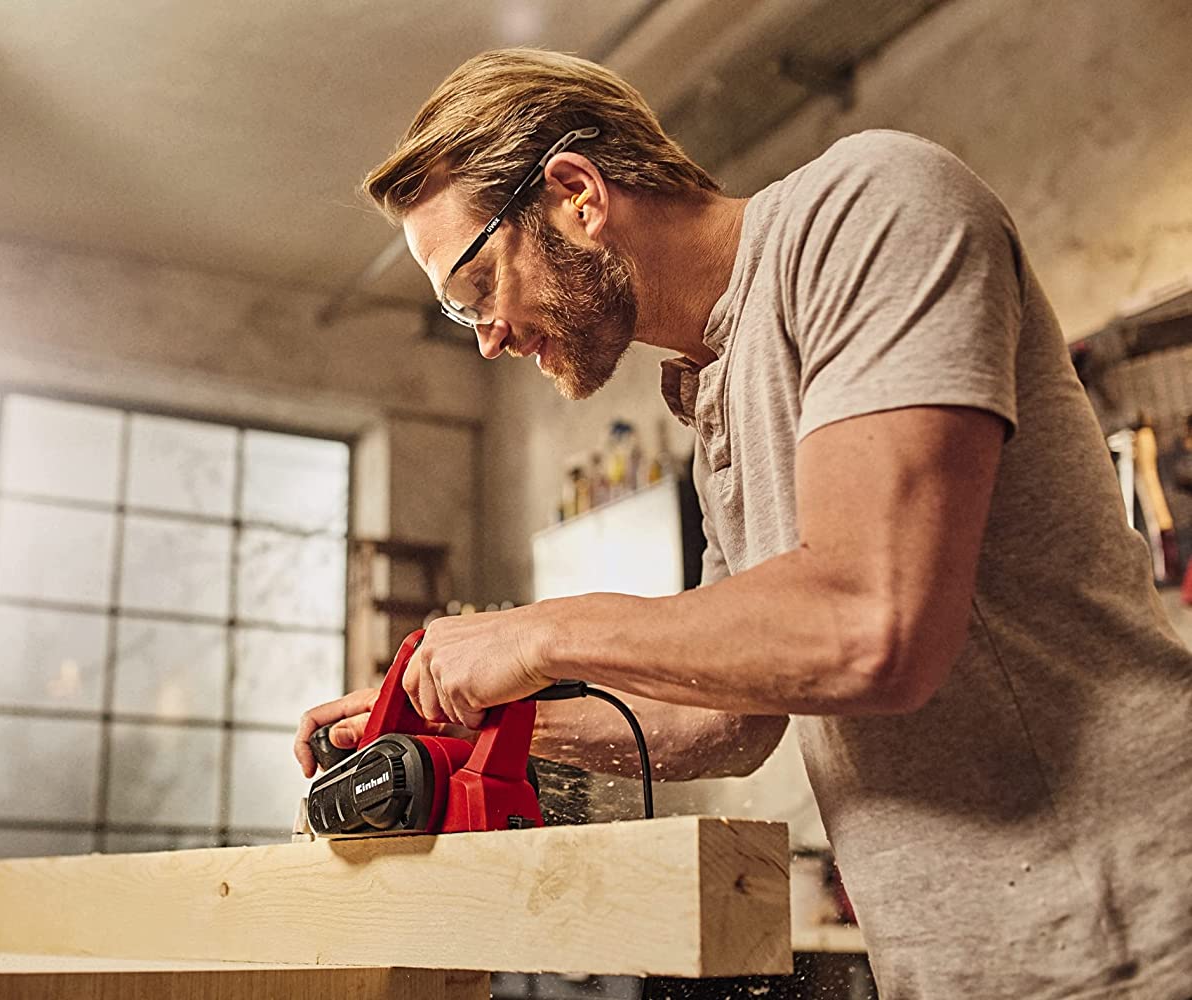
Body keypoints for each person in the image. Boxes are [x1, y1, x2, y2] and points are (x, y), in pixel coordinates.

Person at [293, 49, 1191, 998]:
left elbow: (869, 625)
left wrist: (540, 630)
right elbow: (722, 718)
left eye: (474, 290)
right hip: (960, 964)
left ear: (574, 194)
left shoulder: (870, 209)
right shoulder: (705, 391)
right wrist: (473, 733)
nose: (486, 336)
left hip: (1141, 923)